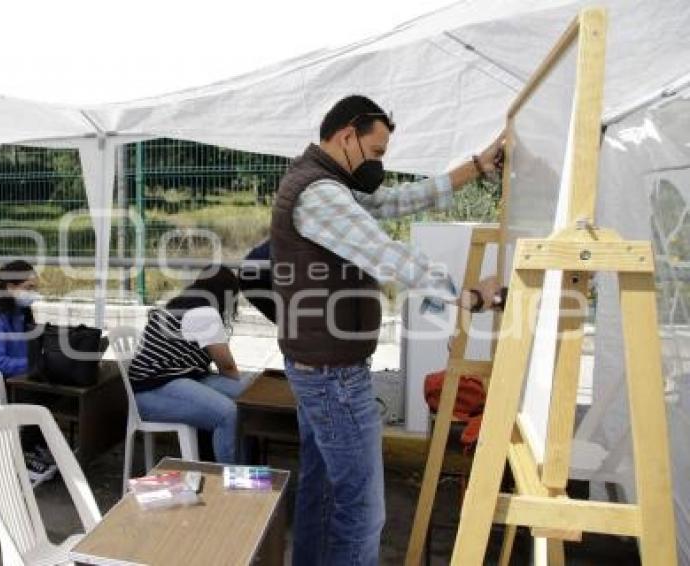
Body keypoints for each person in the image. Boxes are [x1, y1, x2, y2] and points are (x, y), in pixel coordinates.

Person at [270, 94, 504, 566]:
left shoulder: (324, 181)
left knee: (322, 492)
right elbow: (384, 251)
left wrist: (476, 167)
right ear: (346, 136)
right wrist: (467, 295)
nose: (379, 164)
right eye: (376, 152)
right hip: (332, 378)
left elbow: (395, 201)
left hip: (317, 368)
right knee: (361, 510)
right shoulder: (320, 193)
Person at [127, 265, 253, 464]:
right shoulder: (204, 312)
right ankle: (235, 484)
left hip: (177, 379)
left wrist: (245, 389)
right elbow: (226, 366)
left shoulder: (182, 303)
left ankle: (247, 466)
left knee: (251, 394)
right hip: (152, 393)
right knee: (230, 413)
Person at [0, 260, 53, 478]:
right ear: (10, 287)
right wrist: (36, 364)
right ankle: (23, 454)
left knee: (50, 391)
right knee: (37, 396)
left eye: (35, 288)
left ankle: (35, 446)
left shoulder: (20, 311)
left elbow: (29, 347)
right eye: (29, 288)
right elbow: (0, 364)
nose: (33, 293)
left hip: (16, 378)